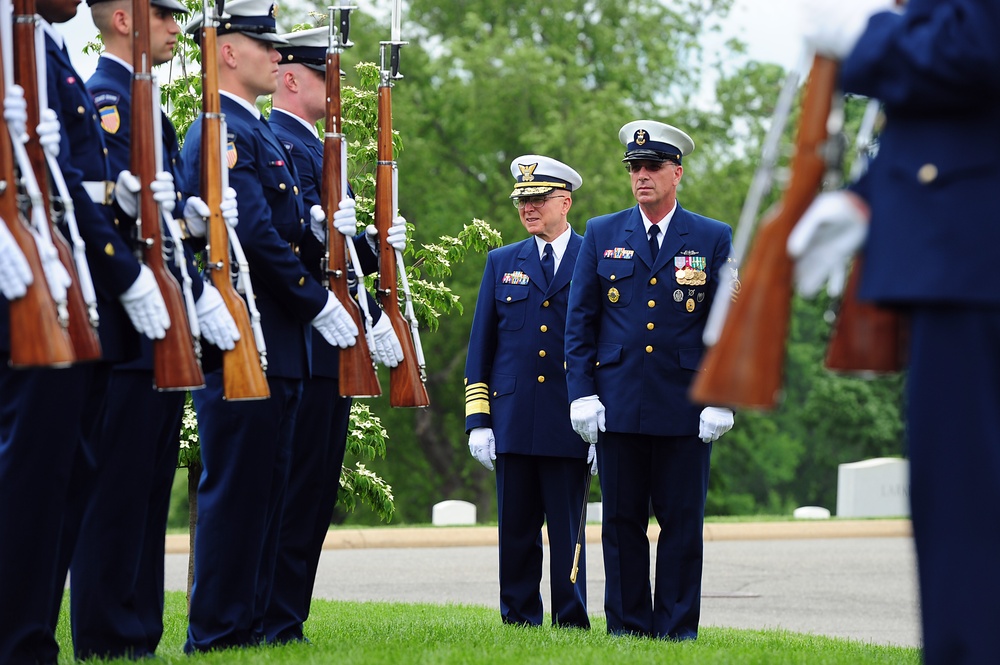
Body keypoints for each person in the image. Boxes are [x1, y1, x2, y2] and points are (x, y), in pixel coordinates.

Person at [789, 2, 1000, 663]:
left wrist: (868, 37)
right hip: (962, 244)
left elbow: (981, 43)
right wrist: (871, 193)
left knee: (968, 533)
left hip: (975, 258)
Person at [178, 0, 360, 652]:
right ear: (228, 51)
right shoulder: (223, 130)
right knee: (237, 493)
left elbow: (278, 228)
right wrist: (318, 300)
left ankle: (252, 623)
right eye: (265, 45)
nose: (277, 57)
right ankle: (220, 630)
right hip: (245, 337)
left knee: (265, 493)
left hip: (275, 343)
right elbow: (250, 234)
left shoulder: (249, 132)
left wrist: (335, 239)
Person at [67, 0, 240, 659]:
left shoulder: (148, 105)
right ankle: (109, 636)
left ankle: (136, 631)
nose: (176, 27)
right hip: (124, 332)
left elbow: (159, 234)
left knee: (144, 492)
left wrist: (191, 259)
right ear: (121, 19)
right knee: (115, 494)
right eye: (165, 15)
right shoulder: (106, 99)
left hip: (159, 333)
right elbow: (105, 219)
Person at [2, 0, 173, 661]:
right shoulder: (43, 53)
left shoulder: (41, 45)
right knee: (37, 480)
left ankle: (28, 641)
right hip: (45, 285)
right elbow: (67, 181)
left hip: (68, 279)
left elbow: (66, 179)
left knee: (61, 478)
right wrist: (125, 271)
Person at [564, 121, 735, 640]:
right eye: (634, 168)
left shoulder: (710, 236)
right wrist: (582, 394)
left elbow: (728, 327)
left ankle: (679, 629)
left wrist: (721, 396)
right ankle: (628, 627)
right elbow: (581, 322)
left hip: (687, 405)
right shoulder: (602, 232)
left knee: (682, 524)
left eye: (653, 167)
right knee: (620, 523)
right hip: (617, 402)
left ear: (676, 173)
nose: (641, 176)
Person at [261, 26, 405, 644]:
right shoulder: (280, 144)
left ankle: (287, 619)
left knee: (315, 491)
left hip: (334, 344)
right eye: (327, 76)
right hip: (301, 335)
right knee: (289, 490)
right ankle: (269, 617)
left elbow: (346, 258)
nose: (336, 87)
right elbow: (294, 246)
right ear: (292, 78)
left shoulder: (325, 154)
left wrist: (379, 251)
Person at [464, 155, 591, 629]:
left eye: (538, 199)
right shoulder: (502, 262)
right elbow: (482, 347)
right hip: (513, 418)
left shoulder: (591, 259)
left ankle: (571, 620)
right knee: (515, 532)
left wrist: (603, 422)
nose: (529, 208)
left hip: (568, 421)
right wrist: (478, 421)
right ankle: (518, 619)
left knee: (567, 531)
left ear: (565, 201)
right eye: (523, 200)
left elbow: (603, 344)